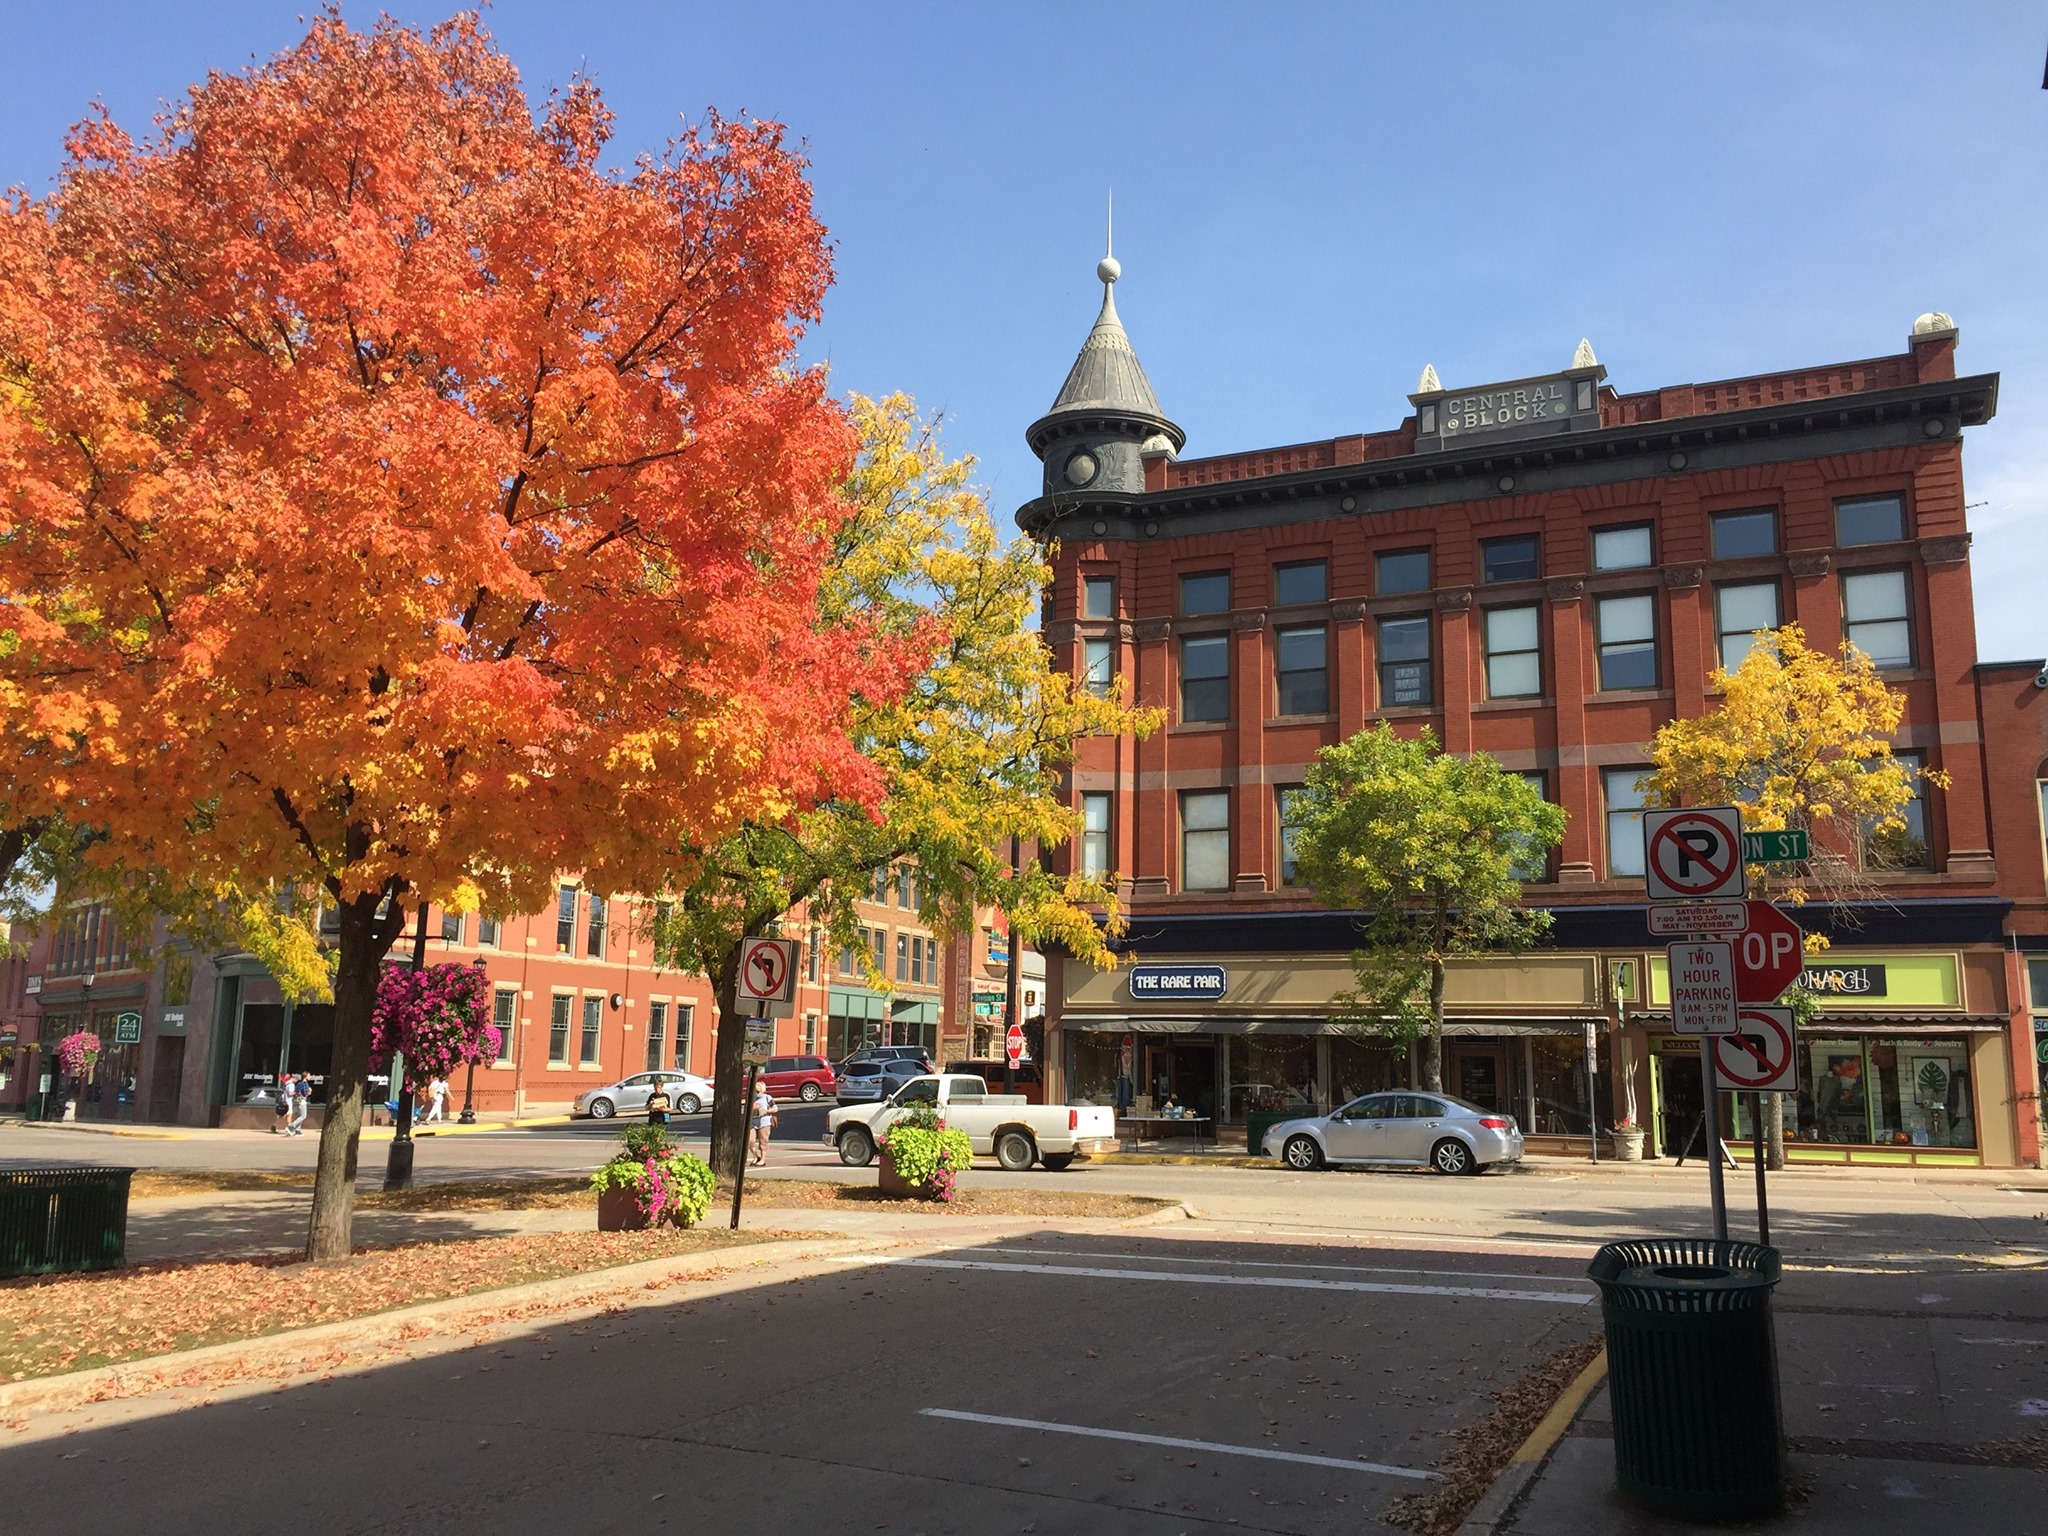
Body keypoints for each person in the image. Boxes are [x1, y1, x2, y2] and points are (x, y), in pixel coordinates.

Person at [749, 1079, 776, 1165]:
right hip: (752, 1122)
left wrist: (766, 1111)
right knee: (750, 1141)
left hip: (764, 1122)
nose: (756, 1092)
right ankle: (755, 1156)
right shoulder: (752, 1098)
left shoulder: (767, 1097)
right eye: (755, 1090)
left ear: (762, 1090)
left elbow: (775, 1108)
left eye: (757, 1091)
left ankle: (763, 1159)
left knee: (763, 1141)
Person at [288, 1072, 312, 1136]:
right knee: (303, 1116)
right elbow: (304, 1093)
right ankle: (291, 1127)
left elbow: (296, 1092)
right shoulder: (305, 1084)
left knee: (299, 1115)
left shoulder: (299, 1083)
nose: (310, 1076)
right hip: (302, 1101)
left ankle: (298, 1131)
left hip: (297, 1100)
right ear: (305, 1076)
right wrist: (309, 1091)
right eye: (309, 1075)